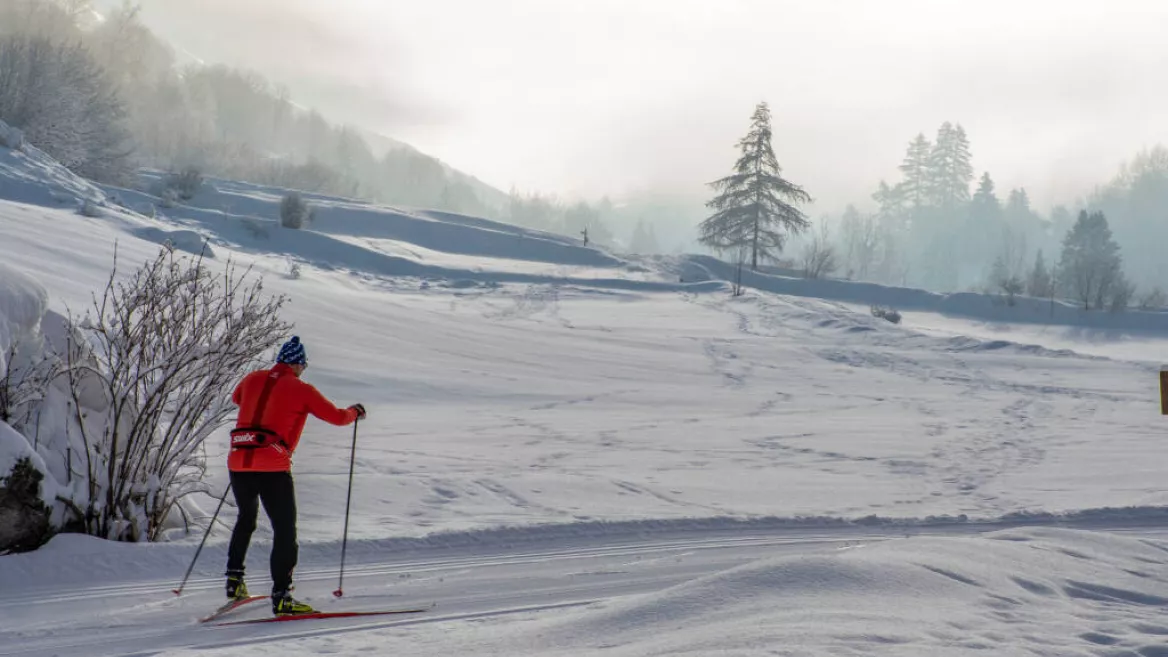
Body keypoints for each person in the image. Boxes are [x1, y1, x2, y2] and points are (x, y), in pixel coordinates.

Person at [223, 335, 366, 616]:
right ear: (298, 364)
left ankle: (234, 580)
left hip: (238, 462)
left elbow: (236, 398)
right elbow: (337, 417)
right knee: (285, 532)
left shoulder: (252, 378)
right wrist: (354, 412)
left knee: (246, 519)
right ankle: (282, 597)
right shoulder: (302, 389)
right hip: (273, 468)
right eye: (304, 365)